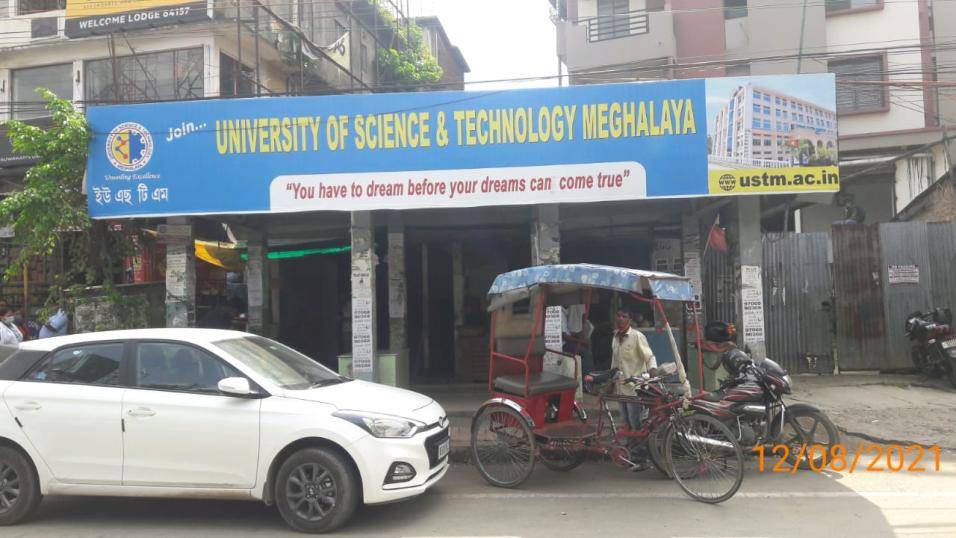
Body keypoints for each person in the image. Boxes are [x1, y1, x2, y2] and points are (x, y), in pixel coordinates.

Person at [611, 308, 658, 471]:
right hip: (620, 388)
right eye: (619, 315)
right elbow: (615, 363)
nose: (621, 318)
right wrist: (611, 379)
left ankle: (641, 458)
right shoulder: (616, 338)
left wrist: (652, 371)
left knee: (636, 424)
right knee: (626, 424)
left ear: (629, 320)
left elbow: (649, 357)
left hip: (635, 389)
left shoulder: (637, 336)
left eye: (624, 316)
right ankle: (630, 455)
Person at [561, 304, 594, 376]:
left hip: (569, 341)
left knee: (588, 347)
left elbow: (570, 332)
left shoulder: (567, 311)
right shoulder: (559, 313)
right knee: (586, 353)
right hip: (563, 344)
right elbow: (565, 336)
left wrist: (580, 336)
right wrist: (582, 341)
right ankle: (588, 380)